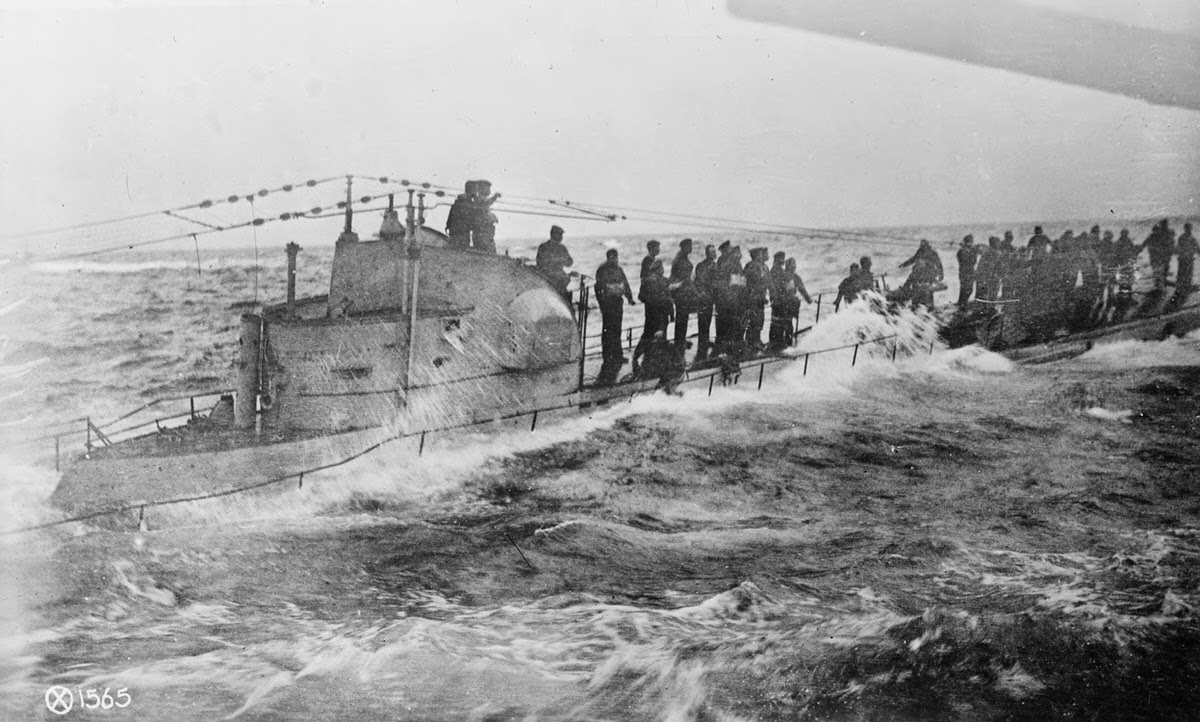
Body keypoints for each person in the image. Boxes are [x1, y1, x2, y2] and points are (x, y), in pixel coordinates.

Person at [594, 248, 635, 363]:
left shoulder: (619, 270)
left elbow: (625, 284)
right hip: (607, 303)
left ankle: (618, 355)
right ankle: (607, 357)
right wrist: (601, 303)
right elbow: (597, 288)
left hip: (618, 302)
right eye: (612, 257)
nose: (614, 260)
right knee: (607, 330)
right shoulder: (602, 270)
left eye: (616, 257)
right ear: (608, 258)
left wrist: (630, 298)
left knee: (617, 329)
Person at [633, 259, 673, 371]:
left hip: (652, 313)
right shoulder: (662, 281)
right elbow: (668, 298)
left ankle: (639, 356)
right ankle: (655, 359)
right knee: (657, 334)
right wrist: (671, 313)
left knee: (648, 335)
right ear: (658, 269)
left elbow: (641, 296)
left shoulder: (647, 280)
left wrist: (650, 301)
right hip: (659, 313)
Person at [770, 256, 811, 350]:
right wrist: (808, 300)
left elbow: (801, 289)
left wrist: (808, 299)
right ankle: (786, 344)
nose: (794, 267)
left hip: (785, 303)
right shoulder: (792, 276)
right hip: (786, 303)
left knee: (782, 323)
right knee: (787, 323)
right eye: (793, 264)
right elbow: (802, 290)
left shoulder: (787, 276)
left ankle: (780, 343)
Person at [692, 244, 718, 358]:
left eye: (715, 252)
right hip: (703, 299)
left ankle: (705, 343)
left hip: (711, 298)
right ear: (708, 254)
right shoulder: (702, 266)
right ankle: (702, 350)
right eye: (712, 252)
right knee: (703, 324)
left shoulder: (715, 265)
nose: (714, 254)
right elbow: (700, 281)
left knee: (707, 322)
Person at [742, 248, 770, 352]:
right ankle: (751, 342)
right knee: (754, 320)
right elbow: (748, 281)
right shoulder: (751, 265)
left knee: (760, 320)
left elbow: (766, 282)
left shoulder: (764, 267)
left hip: (760, 298)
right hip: (753, 298)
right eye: (760, 254)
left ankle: (756, 340)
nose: (761, 255)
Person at [535, 225, 573, 301]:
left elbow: (538, 263)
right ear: (552, 234)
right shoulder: (561, 248)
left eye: (561, 235)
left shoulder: (543, 247)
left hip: (546, 281)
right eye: (559, 235)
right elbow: (569, 262)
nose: (561, 237)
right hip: (556, 280)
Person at [669, 239, 695, 349]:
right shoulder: (680, 260)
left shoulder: (681, 258)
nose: (691, 247)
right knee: (682, 318)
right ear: (684, 247)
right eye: (689, 246)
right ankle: (679, 342)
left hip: (682, 292)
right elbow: (683, 278)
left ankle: (680, 340)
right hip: (682, 293)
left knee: (682, 317)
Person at [1142, 219, 1176, 291]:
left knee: (1163, 268)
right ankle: (1159, 284)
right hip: (1157, 255)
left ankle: (1161, 283)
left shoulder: (1167, 233)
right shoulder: (1156, 235)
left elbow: (1171, 243)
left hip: (1163, 255)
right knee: (1158, 269)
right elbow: (1145, 243)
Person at [445, 181, 477, 250]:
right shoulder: (468, 201)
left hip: (455, 230)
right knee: (461, 249)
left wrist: (448, 225)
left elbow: (451, 212)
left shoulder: (459, 199)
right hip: (462, 232)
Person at [471, 180, 500, 252]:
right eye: (487, 188)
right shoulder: (478, 199)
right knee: (485, 250)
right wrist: (494, 197)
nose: (489, 190)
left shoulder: (479, 199)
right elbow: (484, 204)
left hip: (485, 233)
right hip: (482, 233)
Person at [956, 235, 979, 307]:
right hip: (965, 271)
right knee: (965, 289)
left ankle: (962, 303)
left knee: (968, 289)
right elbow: (961, 260)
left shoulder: (971, 250)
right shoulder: (962, 250)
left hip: (969, 271)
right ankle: (962, 304)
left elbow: (974, 261)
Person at [1176, 222, 1197, 297]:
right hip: (1185, 258)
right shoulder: (1186, 238)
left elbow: (1197, 248)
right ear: (1186, 229)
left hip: (1186, 258)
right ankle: (1182, 287)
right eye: (1188, 228)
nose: (1189, 230)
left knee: (1185, 273)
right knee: (1185, 273)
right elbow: (1196, 248)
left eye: (1190, 228)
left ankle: (1182, 287)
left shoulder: (1186, 237)